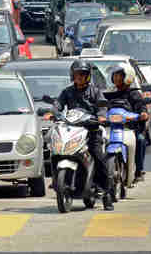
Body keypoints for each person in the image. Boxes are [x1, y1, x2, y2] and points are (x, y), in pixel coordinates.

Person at [47, 60, 112, 210]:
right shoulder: (67, 92)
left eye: (83, 75)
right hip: (72, 129)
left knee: (98, 156)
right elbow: (57, 105)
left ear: (88, 76)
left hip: (91, 130)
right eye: (77, 74)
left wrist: (101, 116)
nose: (80, 77)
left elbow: (102, 106)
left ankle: (107, 193)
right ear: (72, 76)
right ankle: (57, 180)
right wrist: (53, 112)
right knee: (54, 150)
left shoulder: (95, 91)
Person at [108, 65, 150, 181]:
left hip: (130, 129)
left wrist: (143, 114)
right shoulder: (110, 93)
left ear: (128, 77)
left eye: (119, 76)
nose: (116, 78)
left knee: (140, 139)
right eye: (115, 76)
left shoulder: (134, 94)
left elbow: (142, 107)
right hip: (112, 128)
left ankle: (139, 170)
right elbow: (100, 105)